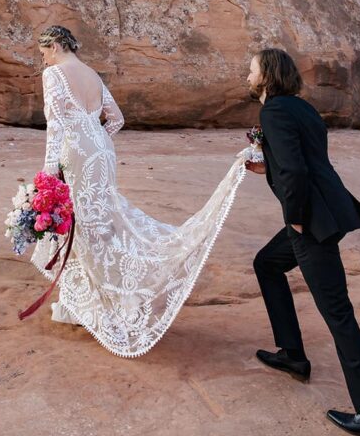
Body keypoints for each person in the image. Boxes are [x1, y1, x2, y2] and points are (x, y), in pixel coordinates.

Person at [27, 24, 248, 357]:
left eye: (43, 53)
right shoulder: (91, 74)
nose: (43, 61)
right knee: (101, 222)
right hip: (101, 152)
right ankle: (98, 297)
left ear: (55, 46)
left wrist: (48, 173)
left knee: (82, 225)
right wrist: (96, 138)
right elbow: (116, 120)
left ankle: (91, 304)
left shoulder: (55, 75)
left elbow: (56, 126)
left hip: (77, 153)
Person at [245, 47, 360, 436]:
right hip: (324, 211)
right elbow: (303, 159)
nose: (247, 74)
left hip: (310, 222)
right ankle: (293, 354)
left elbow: (296, 170)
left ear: (268, 76)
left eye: (252, 69)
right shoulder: (302, 108)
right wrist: (267, 167)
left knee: (338, 313)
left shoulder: (274, 111)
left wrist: (295, 217)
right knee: (267, 264)